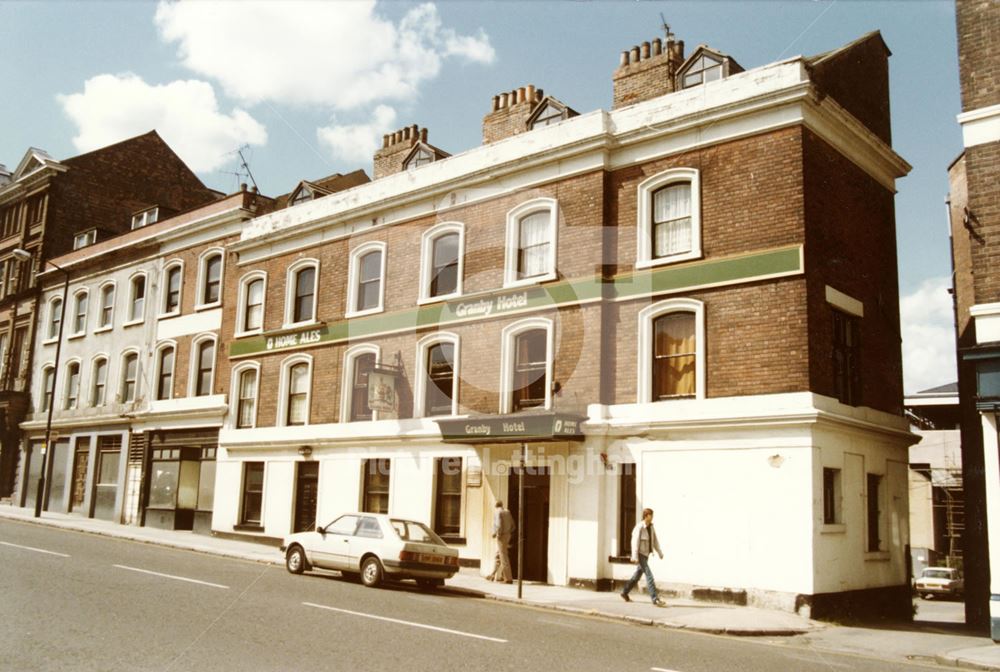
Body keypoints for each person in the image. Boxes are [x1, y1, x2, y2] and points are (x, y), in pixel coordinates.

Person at [620, 507, 665, 606]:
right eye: (651, 515)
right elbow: (634, 542)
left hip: (646, 554)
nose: (652, 517)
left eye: (652, 515)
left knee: (637, 576)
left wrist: (660, 552)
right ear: (646, 516)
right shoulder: (639, 527)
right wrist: (634, 556)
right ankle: (655, 599)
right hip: (640, 554)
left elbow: (655, 541)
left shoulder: (651, 527)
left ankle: (624, 592)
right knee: (649, 576)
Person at [487, 500, 515, 583]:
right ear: (502, 505)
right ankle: (492, 575)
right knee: (498, 555)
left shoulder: (497, 512)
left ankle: (508, 578)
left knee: (503, 556)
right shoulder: (507, 512)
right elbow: (513, 526)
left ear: (496, 506)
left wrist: (496, 534)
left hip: (501, 536)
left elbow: (499, 525)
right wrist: (508, 532)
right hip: (508, 535)